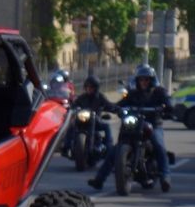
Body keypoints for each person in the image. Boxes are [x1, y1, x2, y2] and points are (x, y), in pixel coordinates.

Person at [89, 64, 173, 192]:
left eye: (146, 79)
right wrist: (112, 108)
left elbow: (168, 103)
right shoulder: (133, 93)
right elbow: (121, 104)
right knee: (115, 150)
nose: (143, 82)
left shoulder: (159, 91)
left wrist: (167, 108)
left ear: (151, 80)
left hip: (153, 123)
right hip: (135, 123)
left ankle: (165, 177)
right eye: (141, 79)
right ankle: (99, 179)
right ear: (137, 80)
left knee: (159, 145)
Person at [63, 75, 114, 158]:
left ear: (96, 88)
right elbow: (73, 105)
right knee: (71, 127)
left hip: (95, 120)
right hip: (82, 121)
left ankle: (109, 149)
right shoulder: (82, 97)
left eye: (91, 87)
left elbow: (108, 105)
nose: (89, 89)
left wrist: (115, 109)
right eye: (87, 86)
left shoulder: (100, 97)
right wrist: (70, 109)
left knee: (107, 126)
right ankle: (66, 147)